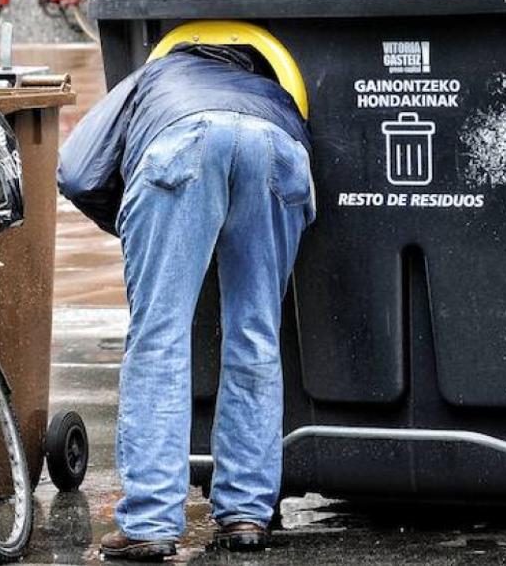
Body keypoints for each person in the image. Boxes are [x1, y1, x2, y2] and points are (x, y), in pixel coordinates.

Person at [58, 42, 315, 561]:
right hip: (278, 147)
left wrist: (141, 223)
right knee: (256, 334)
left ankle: (151, 521)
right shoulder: (274, 86)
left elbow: (78, 171)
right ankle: (246, 513)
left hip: (182, 143)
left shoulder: (153, 75)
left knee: (160, 338)